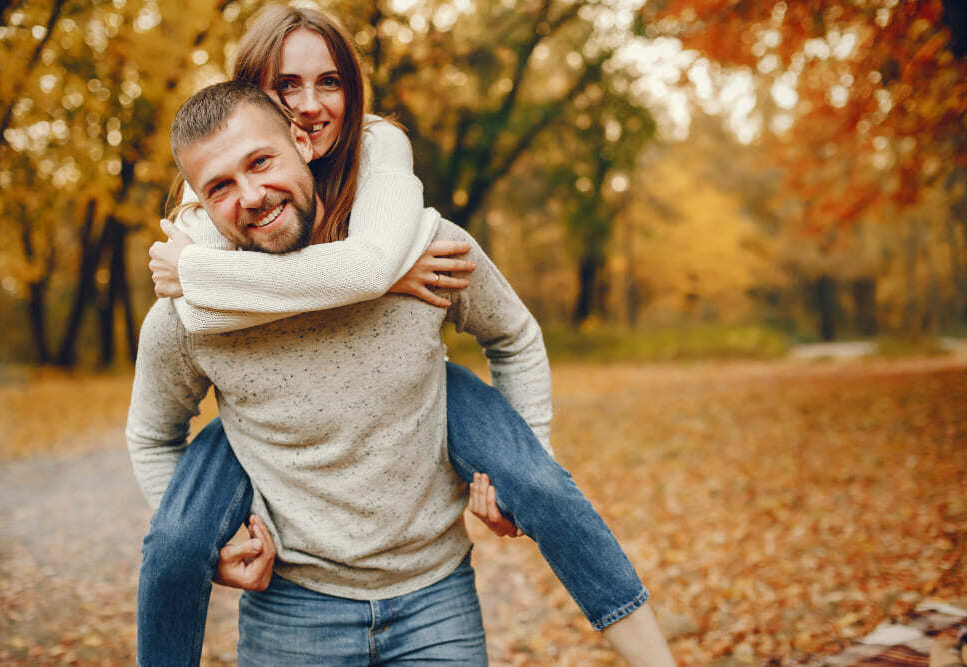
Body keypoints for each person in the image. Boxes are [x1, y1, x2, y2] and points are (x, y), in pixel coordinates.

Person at [139, 5, 675, 666]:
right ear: (255, 98)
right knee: (175, 541)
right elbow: (152, 430)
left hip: (433, 597)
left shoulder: (413, 242)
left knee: (540, 483)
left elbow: (495, 325)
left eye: (329, 83)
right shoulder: (194, 282)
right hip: (294, 608)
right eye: (286, 88)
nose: (310, 108)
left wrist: (519, 463)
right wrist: (196, 271)